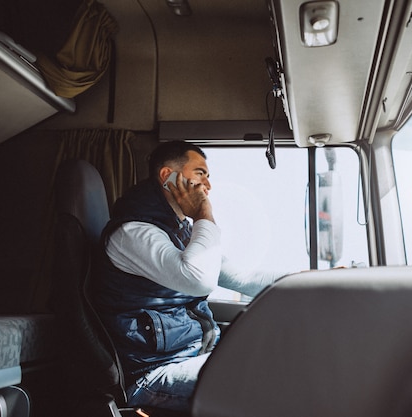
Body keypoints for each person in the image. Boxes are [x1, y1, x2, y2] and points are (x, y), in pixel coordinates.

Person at [92, 141, 288, 411]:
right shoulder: (133, 233)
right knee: (273, 384)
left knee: (286, 360)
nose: (208, 185)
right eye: (200, 173)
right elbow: (198, 280)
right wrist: (203, 215)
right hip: (152, 374)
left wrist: (316, 281)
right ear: (167, 176)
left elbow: (243, 278)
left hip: (196, 355)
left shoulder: (180, 234)